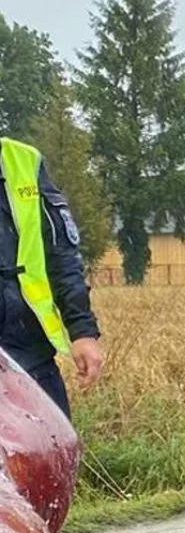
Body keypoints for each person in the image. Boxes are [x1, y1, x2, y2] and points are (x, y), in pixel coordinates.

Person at [0, 137, 104, 418]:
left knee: (56, 455)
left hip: (30, 353)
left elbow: (61, 254)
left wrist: (82, 331)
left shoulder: (24, 162)